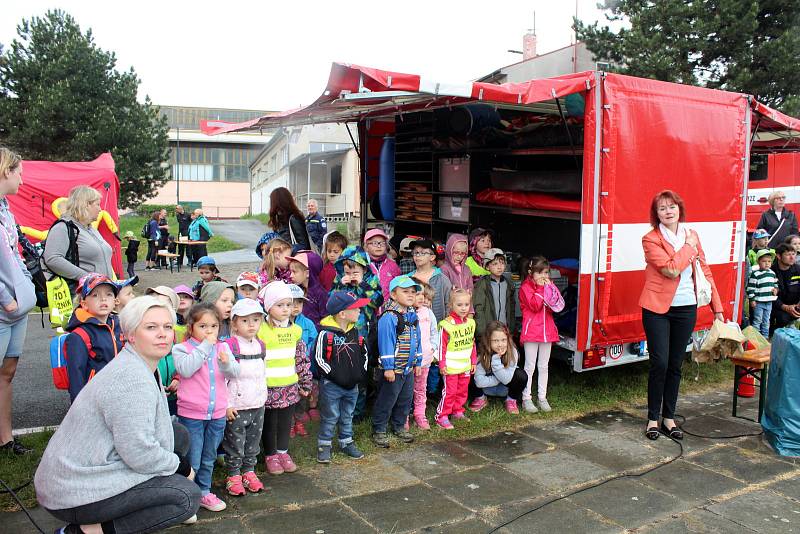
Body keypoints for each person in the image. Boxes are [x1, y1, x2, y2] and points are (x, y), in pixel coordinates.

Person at [35, 296, 201, 532]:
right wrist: (182, 468)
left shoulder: (141, 364)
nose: (163, 334)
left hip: (90, 466)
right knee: (185, 497)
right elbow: (138, 452)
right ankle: (81, 531)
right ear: (131, 335)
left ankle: (130, 508)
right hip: (72, 490)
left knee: (178, 435)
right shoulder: (131, 380)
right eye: (151, 327)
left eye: (167, 327)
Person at [640, 190, 724, 441]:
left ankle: (669, 418)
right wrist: (689, 246)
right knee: (660, 363)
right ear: (656, 215)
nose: (668, 211)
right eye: (662, 208)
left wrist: (718, 309)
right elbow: (670, 269)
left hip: (686, 307)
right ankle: (652, 418)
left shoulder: (692, 234)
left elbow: (705, 270)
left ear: (679, 208)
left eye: (672, 206)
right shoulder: (650, 239)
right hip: (657, 309)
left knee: (676, 365)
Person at [173, 302, 240, 512]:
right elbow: (185, 369)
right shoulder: (182, 348)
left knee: (209, 455)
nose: (209, 331)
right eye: (203, 326)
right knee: (193, 456)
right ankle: (188, 495)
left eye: (213, 326)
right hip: (192, 414)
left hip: (217, 413)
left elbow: (234, 373)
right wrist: (205, 346)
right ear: (191, 327)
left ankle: (203, 491)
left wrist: (226, 363)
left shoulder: (223, 347)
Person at [0, 147, 36, 455]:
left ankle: (6, 439)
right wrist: (5, 298)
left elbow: (14, 253)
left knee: (8, 371)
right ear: (5, 171)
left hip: (17, 305)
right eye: (19, 173)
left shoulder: (6, 211)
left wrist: (25, 288)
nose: (22, 181)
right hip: (3, 306)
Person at [257, 281, 312, 475]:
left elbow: (301, 358)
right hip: (268, 387)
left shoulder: (296, 331)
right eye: (280, 305)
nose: (286, 309)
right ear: (269, 307)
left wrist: (305, 381)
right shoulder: (261, 331)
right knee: (270, 423)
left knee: (285, 422)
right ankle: (270, 455)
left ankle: (283, 452)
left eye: (288, 305)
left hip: (289, 386)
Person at [314, 291, 370, 463]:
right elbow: (319, 358)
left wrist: (360, 374)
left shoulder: (357, 332)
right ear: (342, 313)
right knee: (330, 416)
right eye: (356, 308)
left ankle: (346, 442)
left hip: (352, 386)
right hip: (332, 385)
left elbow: (364, 354)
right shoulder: (326, 334)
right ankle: (324, 445)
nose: (360, 310)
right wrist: (334, 375)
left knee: (348, 414)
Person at [222, 299, 268, 496]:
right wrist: (226, 405)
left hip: (258, 403)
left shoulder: (261, 345)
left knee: (253, 441)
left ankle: (249, 471)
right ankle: (233, 475)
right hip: (237, 405)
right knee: (235, 442)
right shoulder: (229, 347)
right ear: (234, 323)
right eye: (245, 321)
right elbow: (222, 379)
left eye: (256, 320)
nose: (251, 325)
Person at [372, 275, 422, 448]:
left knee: (405, 399)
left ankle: (399, 426)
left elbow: (417, 338)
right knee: (387, 399)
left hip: (407, 368)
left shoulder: (412, 315)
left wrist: (418, 361)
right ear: (393, 295)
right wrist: (388, 368)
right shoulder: (389, 317)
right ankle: (379, 429)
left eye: (413, 292)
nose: (410, 295)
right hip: (393, 369)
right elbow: (386, 342)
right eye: (405, 291)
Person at [65, 274, 124, 403]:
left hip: (120, 395)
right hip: (95, 399)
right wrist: (79, 408)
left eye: (109, 294)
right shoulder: (80, 335)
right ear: (84, 303)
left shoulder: (120, 324)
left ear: (115, 300)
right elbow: (76, 376)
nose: (103, 299)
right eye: (95, 295)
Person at [519, 257, 564, 414]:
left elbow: (556, 306)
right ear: (531, 272)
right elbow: (535, 306)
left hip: (547, 332)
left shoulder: (548, 285)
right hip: (532, 332)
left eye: (545, 272)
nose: (543, 276)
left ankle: (542, 397)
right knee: (530, 366)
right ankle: (526, 398)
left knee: (544, 366)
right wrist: (540, 289)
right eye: (539, 272)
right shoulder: (525, 287)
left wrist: (550, 290)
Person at [44, 185, 115, 284]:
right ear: (85, 205)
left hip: (101, 290)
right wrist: (86, 278)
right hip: (83, 293)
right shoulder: (63, 227)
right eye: (97, 204)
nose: (100, 209)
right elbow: (53, 259)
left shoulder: (91, 229)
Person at [435, 288, 476, 430]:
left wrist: (473, 361)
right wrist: (442, 364)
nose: (464, 308)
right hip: (450, 367)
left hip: (465, 365)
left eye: (466, 304)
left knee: (462, 390)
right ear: (451, 305)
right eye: (459, 305)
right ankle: (442, 416)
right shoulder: (446, 325)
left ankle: (457, 411)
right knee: (450, 391)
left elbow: (472, 343)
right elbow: (441, 347)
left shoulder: (470, 323)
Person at [469, 321, 527, 414]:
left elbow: (506, 380)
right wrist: (498, 378)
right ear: (488, 340)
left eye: (503, 340)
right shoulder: (482, 353)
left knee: (522, 375)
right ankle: (480, 398)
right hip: (486, 388)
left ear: (508, 339)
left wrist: (495, 360)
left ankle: (511, 400)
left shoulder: (512, 352)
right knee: (468, 370)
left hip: (505, 389)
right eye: (495, 341)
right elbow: (479, 382)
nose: (500, 344)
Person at [289, 283, 319, 433]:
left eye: (299, 302)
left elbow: (314, 342)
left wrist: (307, 355)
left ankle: (299, 420)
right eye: (291, 302)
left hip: (303, 366)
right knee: (288, 395)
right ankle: (289, 423)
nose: (295, 306)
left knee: (302, 394)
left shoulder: (307, 323)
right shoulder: (280, 324)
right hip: (287, 366)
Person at [411, 282, 438, 430]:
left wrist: (432, 347)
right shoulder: (405, 313)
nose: (421, 298)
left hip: (425, 360)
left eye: (423, 294)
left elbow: (434, 332)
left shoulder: (428, 313)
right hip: (408, 361)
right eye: (417, 294)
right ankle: (404, 416)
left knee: (421, 389)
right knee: (407, 391)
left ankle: (420, 414)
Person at [473, 248, 516, 341]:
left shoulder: (508, 284)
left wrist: (511, 328)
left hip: (505, 330)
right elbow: (478, 307)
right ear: (487, 267)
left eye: (502, 263)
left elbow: (512, 308)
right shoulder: (482, 284)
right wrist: (482, 331)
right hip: (488, 331)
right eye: (495, 264)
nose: (499, 267)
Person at [287, 251, 327, 328]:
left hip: (314, 335)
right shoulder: (294, 290)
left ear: (307, 273)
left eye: (294, 272)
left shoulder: (320, 293)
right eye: (290, 271)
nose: (291, 275)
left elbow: (326, 317)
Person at [747, 249, 779, 338]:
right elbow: (750, 288)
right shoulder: (755, 274)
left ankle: (765, 336)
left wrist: (776, 290)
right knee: (757, 319)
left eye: (769, 261)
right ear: (758, 262)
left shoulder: (772, 273)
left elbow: (775, 284)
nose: (767, 263)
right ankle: (755, 337)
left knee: (767, 320)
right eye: (764, 261)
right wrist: (752, 299)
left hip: (769, 301)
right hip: (759, 302)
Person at [269, 187, 312, 252]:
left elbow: (304, 245)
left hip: (293, 260)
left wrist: (284, 249)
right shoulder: (278, 219)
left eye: (272, 201)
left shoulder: (294, 218)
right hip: (284, 259)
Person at [363, 228, 401, 302]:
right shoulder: (362, 264)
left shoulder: (393, 265)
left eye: (382, 243)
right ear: (366, 247)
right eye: (374, 243)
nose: (379, 246)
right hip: (366, 310)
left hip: (388, 310)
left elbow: (398, 287)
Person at [770, 243, 800, 330]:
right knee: (783, 318)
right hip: (779, 307)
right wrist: (785, 307)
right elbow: (769, 295)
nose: (792, 257)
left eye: (793, 254)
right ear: (778, 256)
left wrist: (798, 304)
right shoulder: (771, 272)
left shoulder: (798, 269)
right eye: (788, 254)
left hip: (796, 305)